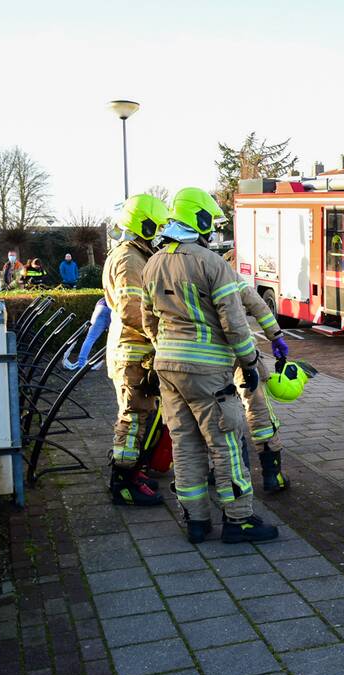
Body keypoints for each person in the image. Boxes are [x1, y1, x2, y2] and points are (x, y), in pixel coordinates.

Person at [141, 187, 277, 545]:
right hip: (208, 371)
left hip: (167, 367)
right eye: (209, 221)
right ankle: (239, 520)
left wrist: (165, 352)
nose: (211, 228)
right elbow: (233, 321)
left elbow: (147, 320)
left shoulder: (153, 262)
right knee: (225, 441)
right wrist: (249, 361)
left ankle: (196, 521)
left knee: (184, 443)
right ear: (198, 219)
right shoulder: (210, 262)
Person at [104, 194, 169, 506]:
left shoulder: (135, 254)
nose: (160, 233)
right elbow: (134, 310)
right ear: (142, 225)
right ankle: (123, 483)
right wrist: (163, 334)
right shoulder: (130, 260)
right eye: (156, 227)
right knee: (133, 418)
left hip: (136, 351)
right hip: (133, 352)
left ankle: (134, 471)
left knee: (141, 415)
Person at [224, 250, 290, 492]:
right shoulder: (232, 277)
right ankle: (273, 476)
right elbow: (259, 306)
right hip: (245, 353)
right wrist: (276, 337)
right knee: (259, 409)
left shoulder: (191, 277)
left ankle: (227, 472)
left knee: (221, 414)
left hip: (213, 358)